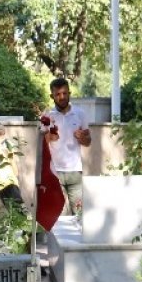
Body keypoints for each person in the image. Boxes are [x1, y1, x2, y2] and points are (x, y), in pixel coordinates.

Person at [40, 77, 91, 216]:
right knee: (58, 216)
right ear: (52, 96)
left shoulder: (80, 114)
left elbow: (88, 141)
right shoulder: (47, 116)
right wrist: (49, 138)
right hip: (55, 172)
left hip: (75, 171)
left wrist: (82, 137)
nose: (61, 97)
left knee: (80, 215)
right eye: (57, 94)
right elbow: (42, 143)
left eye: (64, 93)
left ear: (69, 93)